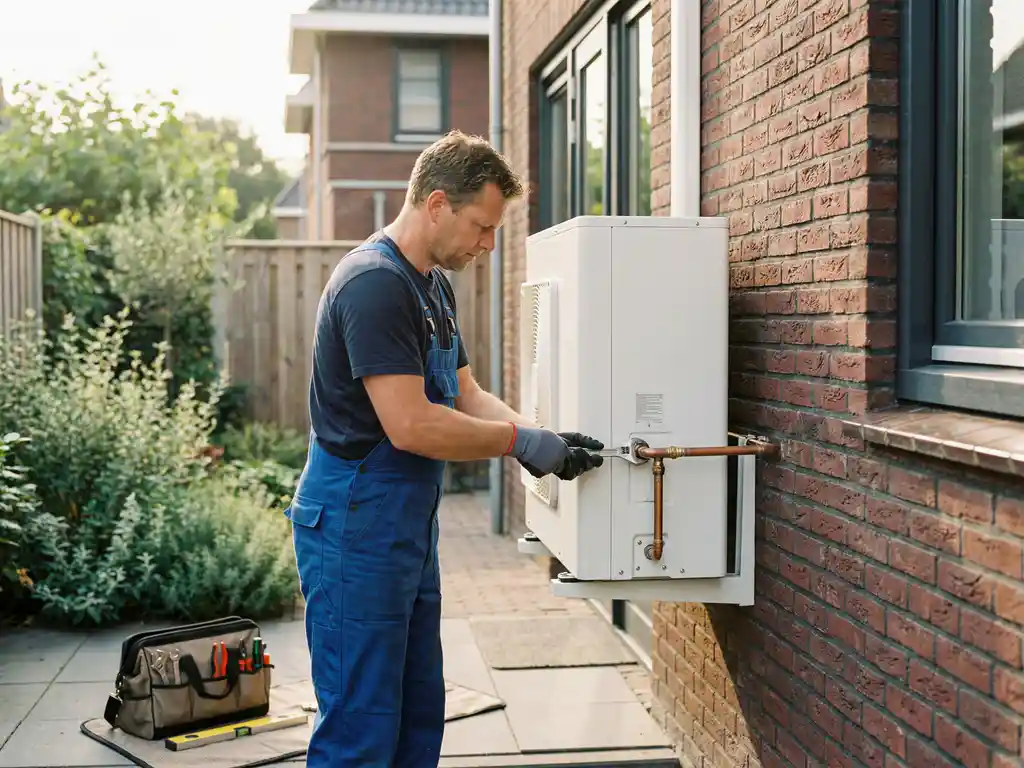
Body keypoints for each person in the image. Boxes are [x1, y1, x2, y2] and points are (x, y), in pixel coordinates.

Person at [284, 130, 605, 767]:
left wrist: (545, 438)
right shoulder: (373, 284)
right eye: (482, 227)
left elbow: (464, 394)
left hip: (403, 528)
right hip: (354, 527)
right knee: (360, 725)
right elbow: (412, 425)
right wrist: (520, 441)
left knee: (417, 711)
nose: (488, 245)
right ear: (436, 204)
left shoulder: (431, 286)